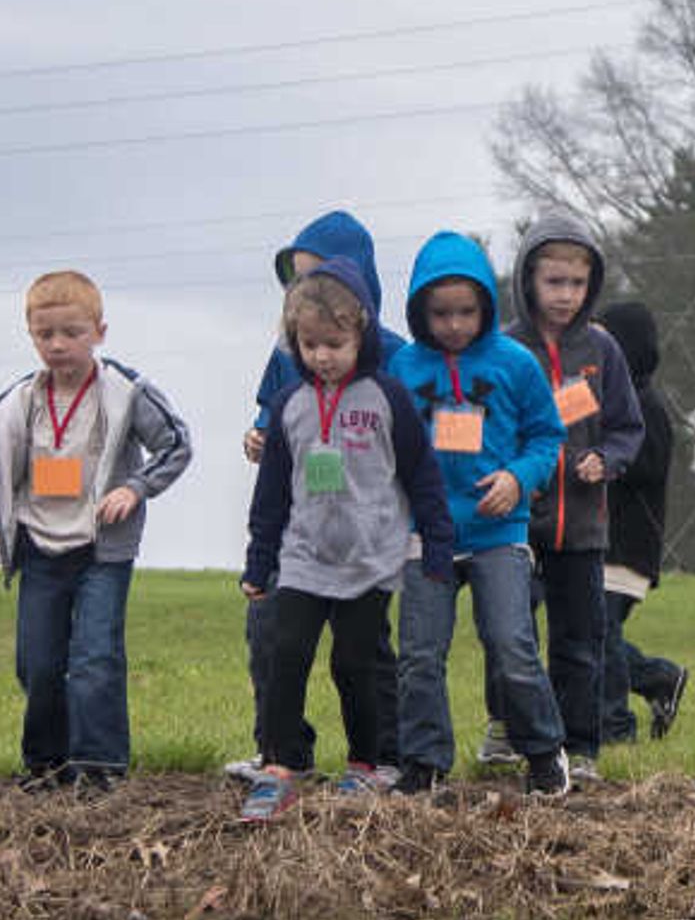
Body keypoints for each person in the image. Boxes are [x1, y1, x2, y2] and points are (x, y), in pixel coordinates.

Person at [0, 269, 195, 793]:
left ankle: (100, 767)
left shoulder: (126, 392)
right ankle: (47, 765)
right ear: (31, 335)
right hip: (39, 548)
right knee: (38, 663)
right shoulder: (14, 404)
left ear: (99, 332)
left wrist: (135, 487)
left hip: (101, 550)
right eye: (46, 335)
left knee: (93, 658)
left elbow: (176, 445)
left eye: (72, 332)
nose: (58, 345)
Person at [240, 265, 452, 817]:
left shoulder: (388, 397)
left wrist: (435, 542)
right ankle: (279, 767)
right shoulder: (288, 405)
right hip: (304, 557)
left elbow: (422, 474)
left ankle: (364, 765)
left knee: (355, 663)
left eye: (334, 343)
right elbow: (270, 496)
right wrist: (258, 562)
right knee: (286, 656)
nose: (322, 357)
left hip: (370, 558)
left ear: (361, 335)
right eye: (309, 345)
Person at [388, 232, 572, 796]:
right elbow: (385, 446)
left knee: (511, 645)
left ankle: (543, 753)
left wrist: (519, 477)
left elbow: (547, 436)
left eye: (467, 311)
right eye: (441, 313)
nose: (454, 325)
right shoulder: (402, 366)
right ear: (420, 310)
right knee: (420, 656)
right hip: (429, 535)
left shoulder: (515, 363)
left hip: (499, 532)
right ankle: (424, 762)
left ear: (486, 306)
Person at [231, 211, 402, 785]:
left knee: (364, 651)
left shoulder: (393, 356)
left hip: (362, 533)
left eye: (318, 275)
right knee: (273, 636)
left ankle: (382, 755)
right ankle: (282, 751)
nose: (305, 291)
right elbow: (271, 416)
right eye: (296, 280)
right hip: (296, 526)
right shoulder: (287, 351)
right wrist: (258, 436)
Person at [505, 216, 647, 783]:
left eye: (575, 285)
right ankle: (517, 735)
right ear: (528, 281)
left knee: (580, 643)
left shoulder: (603, 350)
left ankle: (581, 748)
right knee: (513, 637)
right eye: (553, 282)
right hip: (517, 524)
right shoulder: (508, 348)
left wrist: (607, 460)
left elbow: (627, 427)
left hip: (583, 526)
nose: (565, 295)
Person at [591, 297, 692, 748]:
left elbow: (647, 466)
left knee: (600, 635)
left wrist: (606, 459)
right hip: (601, 544)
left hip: (626, 547)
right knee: (595, 633)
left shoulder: (642, 405)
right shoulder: (606, 401)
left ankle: (614, 726)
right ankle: (658, 677)